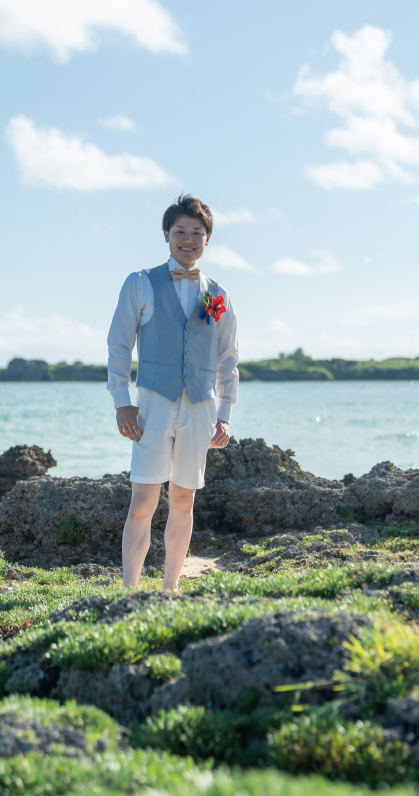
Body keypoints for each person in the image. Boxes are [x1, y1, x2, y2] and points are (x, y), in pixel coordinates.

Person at [107, 193, 238, 590]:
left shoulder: (218, 293)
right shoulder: (140, 283)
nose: (188, 239)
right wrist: (122, 403)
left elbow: (228, 359)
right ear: (166, 235)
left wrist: (225, 415)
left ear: (207, 239)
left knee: (184, 500)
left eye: (196, 232)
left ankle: (170, 590)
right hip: (153, 404)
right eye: (180, 231)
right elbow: (119, 345)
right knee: (142, 501)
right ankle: (130, 591)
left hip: (200, 407)